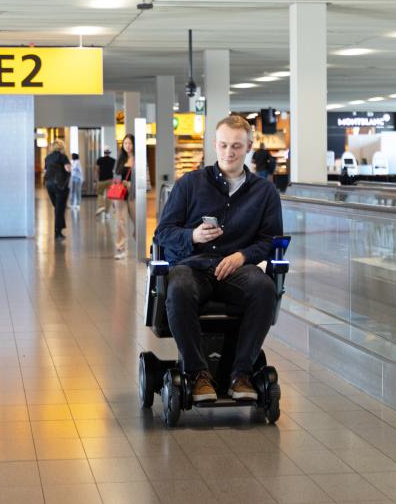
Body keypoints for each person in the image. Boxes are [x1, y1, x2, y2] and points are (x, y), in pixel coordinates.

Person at [154, 115, 282, 403]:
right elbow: (163, 233)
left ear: (249, 146)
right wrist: (193, 237)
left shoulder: (264, 192)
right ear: (214, 144)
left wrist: (243, 255)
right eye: (223, 145)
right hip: (193, 266)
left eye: (236, 146)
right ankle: (198, 374)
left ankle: (241, 374)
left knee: (264, 289)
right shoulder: (189, 184)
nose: (229, 152)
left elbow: (270, 240)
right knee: (179, 287)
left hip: (236, 269)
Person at [43, 139, 71, 240]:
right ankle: (58, 233)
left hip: (49, 185)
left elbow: (45, 170)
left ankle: (59, 230)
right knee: (60, 208)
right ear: (61, 147)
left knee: (57, 207)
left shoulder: (47, 158)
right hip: (60, 185)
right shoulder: (63, 157)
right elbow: (68, 170)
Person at [113, 134, 135, 260]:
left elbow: (143, 179)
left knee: (137, 220)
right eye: (125, 143)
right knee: (120, 222)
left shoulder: (138, 159)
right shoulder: (120, 159)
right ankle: (121, 248)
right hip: (120, 195)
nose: (127, 146)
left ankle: (138, 243)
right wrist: (120, 182)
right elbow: (115, 177)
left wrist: (131, 184)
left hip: (132, 195)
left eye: (130, 143)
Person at [96, 146, 116, 216]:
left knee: (100, 194)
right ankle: (107, 212)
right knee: (109, 196)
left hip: (101, 180)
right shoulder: (113, 160)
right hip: (110, 180)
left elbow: (97, 169)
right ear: (110, 152)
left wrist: (97, 178)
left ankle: (101, 206)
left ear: (104, 152)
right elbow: (114, 171)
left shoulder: (99, 159)